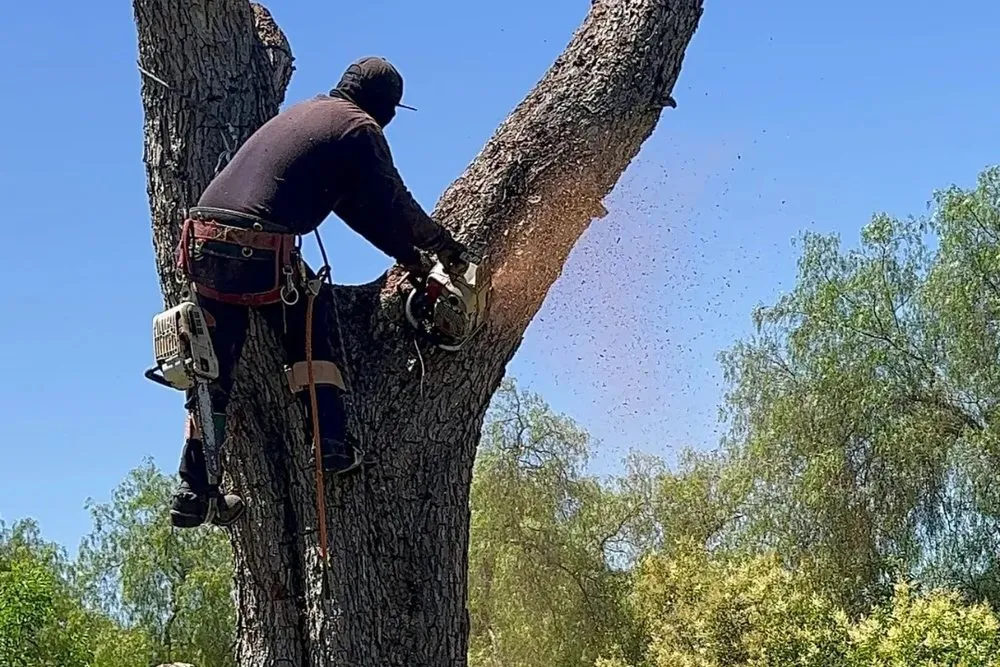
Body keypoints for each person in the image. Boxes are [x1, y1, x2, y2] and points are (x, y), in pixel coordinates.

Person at [169, 56, 468, 528]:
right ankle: (329, 443)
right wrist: (441, 245)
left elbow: (356, 208)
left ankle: (194, 490)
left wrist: (408, 258)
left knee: (212, 374)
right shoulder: (359, 129)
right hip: (258, 247)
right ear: (386, 107)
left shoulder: (315, 113)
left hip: (203, 242)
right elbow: (393, 201)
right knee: (312, 312)